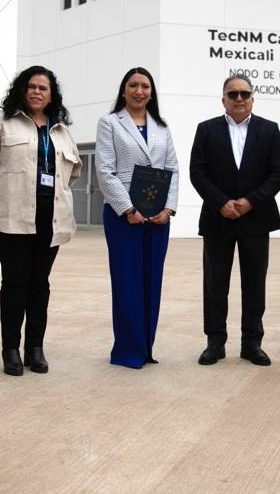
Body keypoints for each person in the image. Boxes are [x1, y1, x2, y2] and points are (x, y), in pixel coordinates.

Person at [0, 66, 82, 376]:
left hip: (51, 219)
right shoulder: (1, 123)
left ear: (51, 95)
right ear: (22, 89)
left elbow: (73, 170)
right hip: (12, 217)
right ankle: (10, 349)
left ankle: (35, 348)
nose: (36, 92)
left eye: (43, 88)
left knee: (39, 284)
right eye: (31, 86)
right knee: (15, 283)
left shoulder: (60, 129)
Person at [189, 73, 280, 366]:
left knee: (255, 284)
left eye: (245, 94)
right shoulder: (206, 130)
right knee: (215, 284)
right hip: (218, 219)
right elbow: (198, 171)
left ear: (252, 98)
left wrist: (249, 202)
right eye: (233, 94)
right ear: (224, 99)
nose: (239, 99)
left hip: (256, 219)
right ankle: (215, 343)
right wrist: (221, 202)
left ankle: (252, 343)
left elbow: (278, 173)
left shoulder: (269, 130)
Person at [96, 67, 179, 369]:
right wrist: (129, 209)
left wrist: (167, 209)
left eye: (145, 86)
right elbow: (105, 171)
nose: (139, 91)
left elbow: (173, 169)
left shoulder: (161, 127)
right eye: (133, 85)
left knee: (151, 281)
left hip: (157, 218)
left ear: (151, 92)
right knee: (127, 281)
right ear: (123, 90)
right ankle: (128, 351)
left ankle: (146, 348)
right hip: (124, 217)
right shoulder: (110, 123)